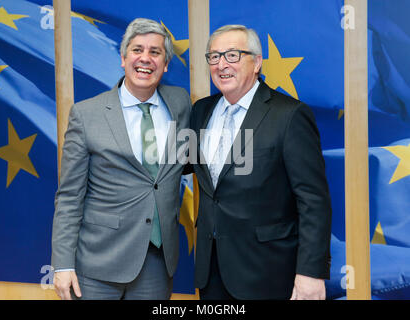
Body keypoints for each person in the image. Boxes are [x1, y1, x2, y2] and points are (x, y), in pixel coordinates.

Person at [51, 18, 191, 300]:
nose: (145, 59)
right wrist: (63, 264)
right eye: (137, 49)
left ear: (165, 64)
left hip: (156, 262)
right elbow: (69, 196)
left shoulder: (180, 103)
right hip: (97, 264)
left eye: (155, 52)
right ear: (123, 58)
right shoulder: (86, 114)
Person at [190, 25, 332, 300]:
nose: (222, 65)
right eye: (214, 57)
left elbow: (313, 201)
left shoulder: (289, 115)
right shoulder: (201, 111)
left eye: (232, 55)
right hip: (211, 273)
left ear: (256, 62)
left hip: (268, 272)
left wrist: (310, 273)